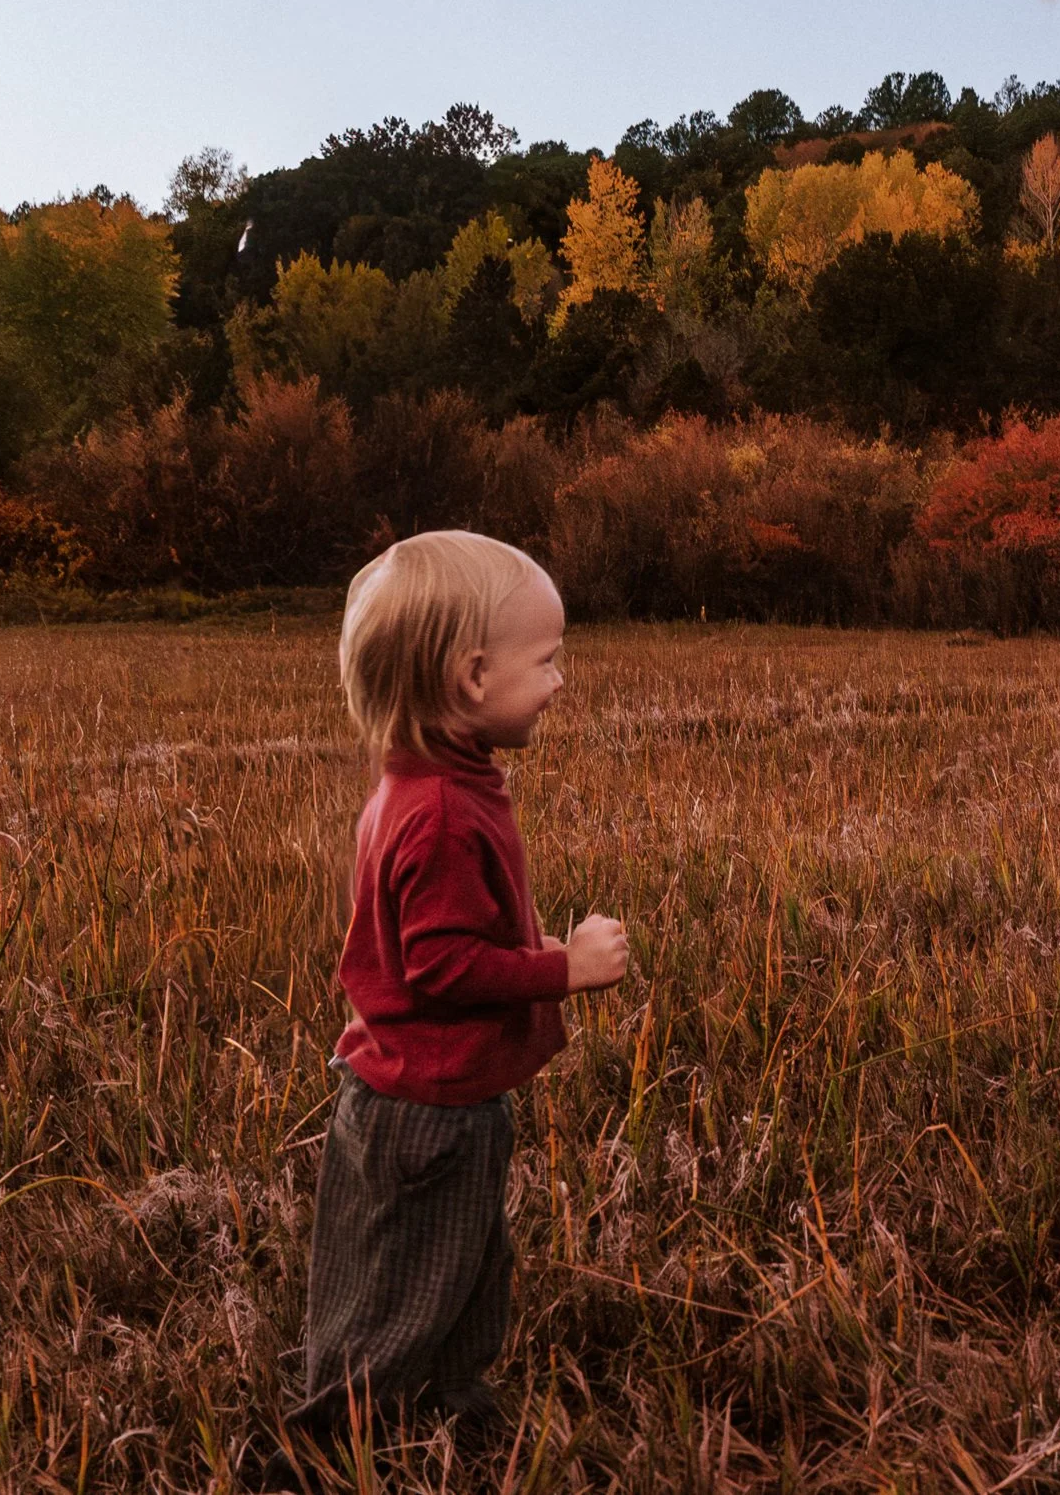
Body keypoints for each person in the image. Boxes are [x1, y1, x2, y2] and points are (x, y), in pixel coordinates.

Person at [267, 531, 632, 1478]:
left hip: (445, 1097)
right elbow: (441, 971)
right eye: (546, 659)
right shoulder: (438, 812)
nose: (560, 679)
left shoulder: (437, 782)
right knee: (400, 1288)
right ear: (472, 676)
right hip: (427, 1112)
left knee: (468, 1270)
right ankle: (326, 1448)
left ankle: (455, 1408)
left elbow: (448, 945)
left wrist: (530, 951)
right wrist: (565, 969)